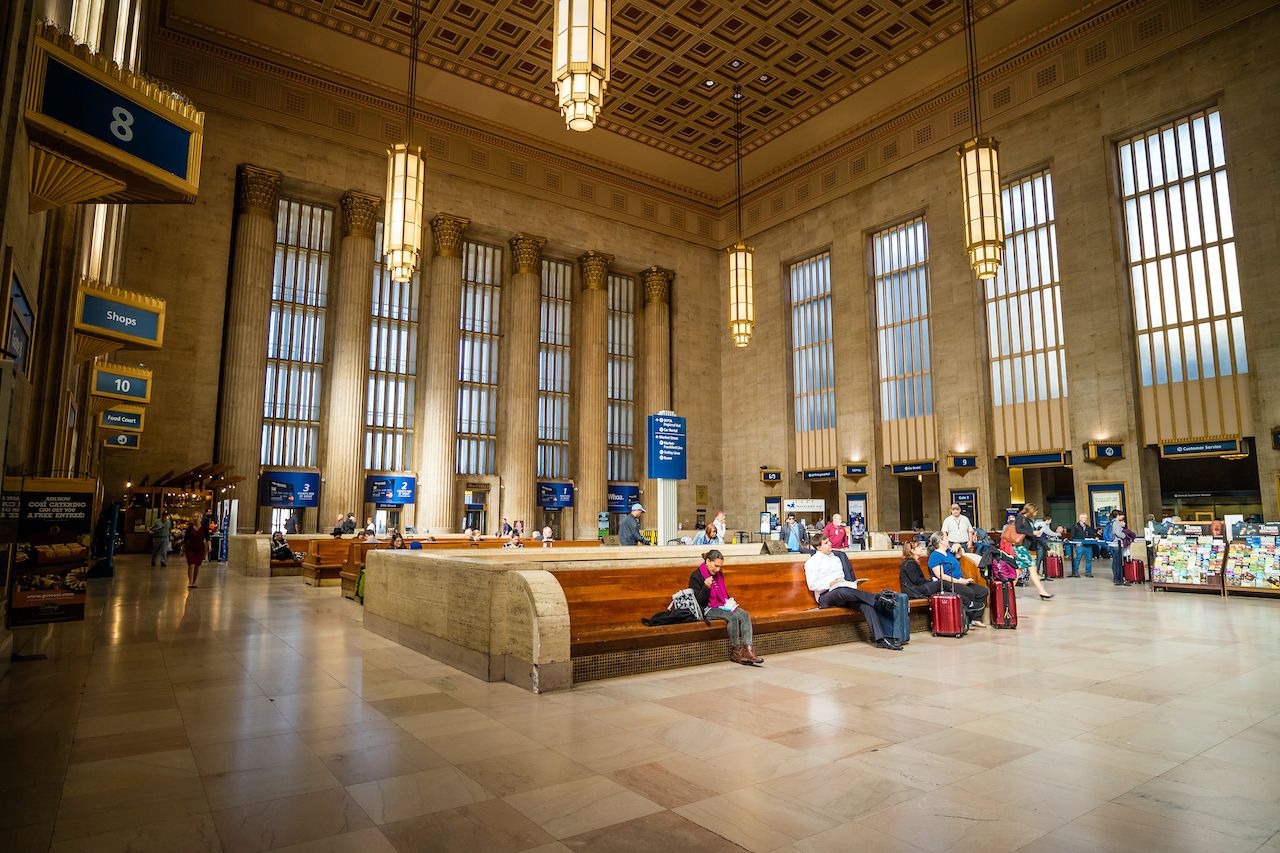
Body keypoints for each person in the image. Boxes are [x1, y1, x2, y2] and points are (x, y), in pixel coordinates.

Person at [804, 532, 902, 650]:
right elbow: (812, 585)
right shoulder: (812, 562)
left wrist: (849, 583)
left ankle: (880, 639)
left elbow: (842, 578)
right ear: (818, 547)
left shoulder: (836, 558)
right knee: (841, 591)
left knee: (866, 605)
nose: (830, 544)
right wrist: (829, 584)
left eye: (829, 541)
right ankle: (877, 597)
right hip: (826, 596)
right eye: (826, 543)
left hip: (844, 592)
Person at [690, 549, 761, 665]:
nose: (717, 569)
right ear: (708, 561)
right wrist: (706, 587)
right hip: (707, 609)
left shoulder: (718, 574)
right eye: (715, 566)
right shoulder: (696, 576)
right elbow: (698, 601)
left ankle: (748, 649)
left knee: (744, 614)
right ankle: (736, 651)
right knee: (732, 617)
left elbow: (722, 593)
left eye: (720, 566)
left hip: (720, 605)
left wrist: (729, 602)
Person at [926, 532, 987, 627]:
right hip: (948, 584)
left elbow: (959, 555)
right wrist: (960, 581)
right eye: (946, 539)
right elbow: (940, 575)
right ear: (941, 541)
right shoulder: (935, 556)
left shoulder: (949, 552)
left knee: (982, 591)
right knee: (969, 592)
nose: (948, 540)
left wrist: (958, 546)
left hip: (960, 580)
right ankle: (966, 620)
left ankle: (975, 618)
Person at [1008, 504, 1053, 600]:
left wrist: (1047, 548)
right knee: (1032, 568)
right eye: (1035, 511)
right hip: (1020, 547)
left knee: (1018, 571)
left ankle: (1008, 593)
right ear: (1030, 511)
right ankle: (1042, 591)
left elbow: (1035, 537)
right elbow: (1019, 529)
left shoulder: (1029, 521)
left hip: (1023, 548)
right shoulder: (1020, 518)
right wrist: (1032, 532)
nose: (1036, 513)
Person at [183, 515, 207, 589]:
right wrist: (182, 549)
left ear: (200, 518)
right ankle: (190, 582)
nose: (195, 518)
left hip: (200, 549)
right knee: (191, 564)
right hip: (190, 548)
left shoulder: (204, 528)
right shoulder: (189, 528)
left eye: (197, 516)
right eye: (194, 516)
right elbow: (185, 539)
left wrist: (209, 545)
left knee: (197, 566)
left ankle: (194, 582)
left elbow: (207, 537)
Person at [1109, 509, 1130, 586]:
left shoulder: (1112, 522)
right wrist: (1124, 536)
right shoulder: (1116, 522)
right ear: (1118, 515)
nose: (1123, 516)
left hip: (1112, 544)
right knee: (1118, 562)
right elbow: (1117, 533)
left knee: (1115, 562)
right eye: (1121, 515)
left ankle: (1116, 578)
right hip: (1116, 544)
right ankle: (1118, 578)